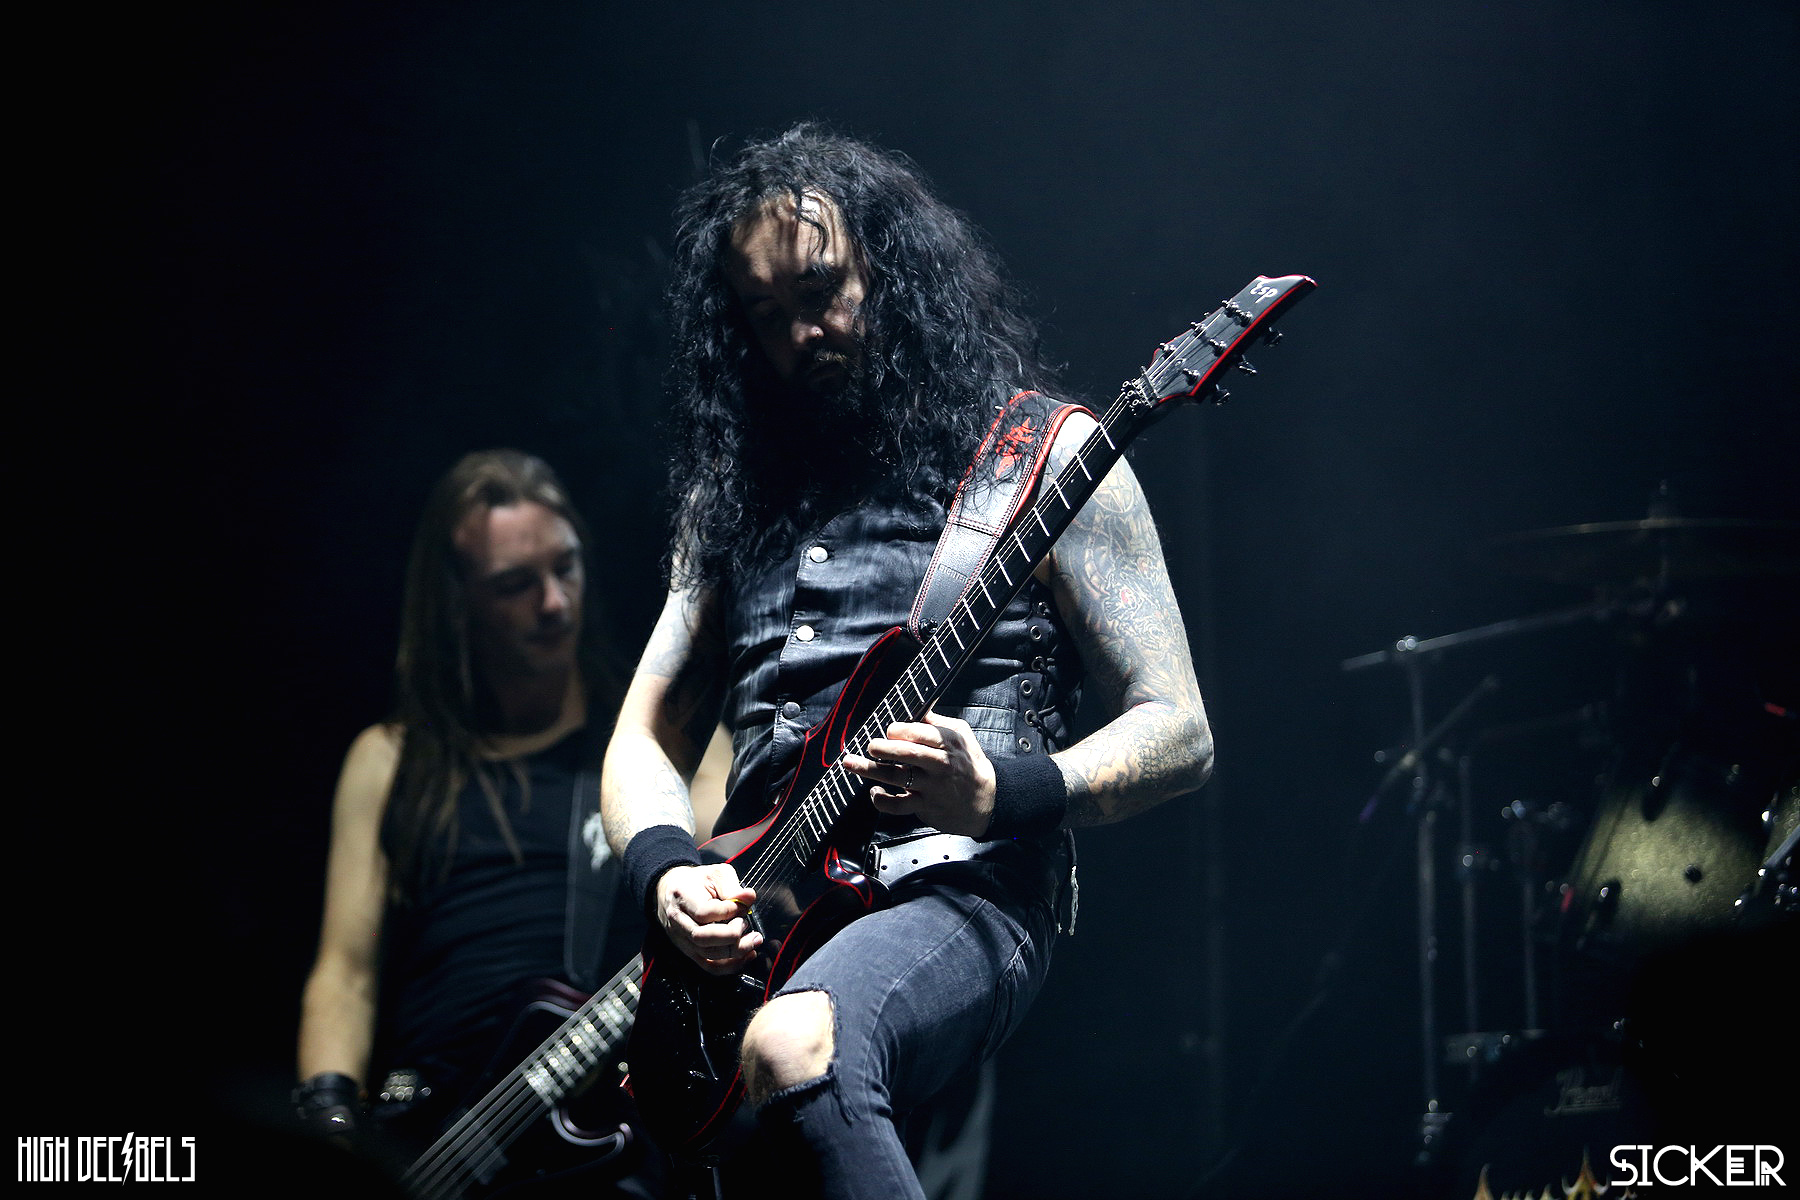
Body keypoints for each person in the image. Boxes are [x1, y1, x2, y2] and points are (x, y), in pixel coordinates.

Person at [601, 125, 1213, 1199]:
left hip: (963, 890)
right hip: (769, 917)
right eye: (765, 315)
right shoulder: (729, 501)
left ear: (890, 268)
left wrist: (1006, 789)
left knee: (802, 1044)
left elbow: (1180, 729)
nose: (802, 332)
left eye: (822, 291)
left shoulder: (1046, 457)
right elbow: (645, 734)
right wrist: (666, 869)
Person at [297, 449, 690, 1196]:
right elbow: (345, 975)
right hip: (423, 1134)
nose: (555, 603)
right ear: (458, 604)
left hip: (594, 1132)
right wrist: (330, 1122)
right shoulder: (388, 760)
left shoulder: (654, 742)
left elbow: (742, 875)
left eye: (567, 568)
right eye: (516, 584)